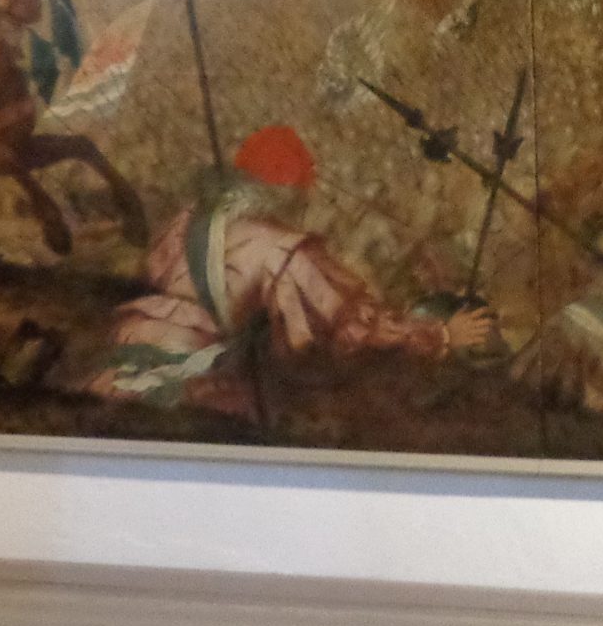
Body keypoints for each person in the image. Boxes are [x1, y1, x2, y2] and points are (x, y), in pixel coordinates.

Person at [91, 125, 498, 423]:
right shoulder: (281, 249)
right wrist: (439, 334)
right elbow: (347, 323)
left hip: (122, 360)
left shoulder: (187, 221)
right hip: (192, 384)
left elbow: (152, 276)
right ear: (285, 192)